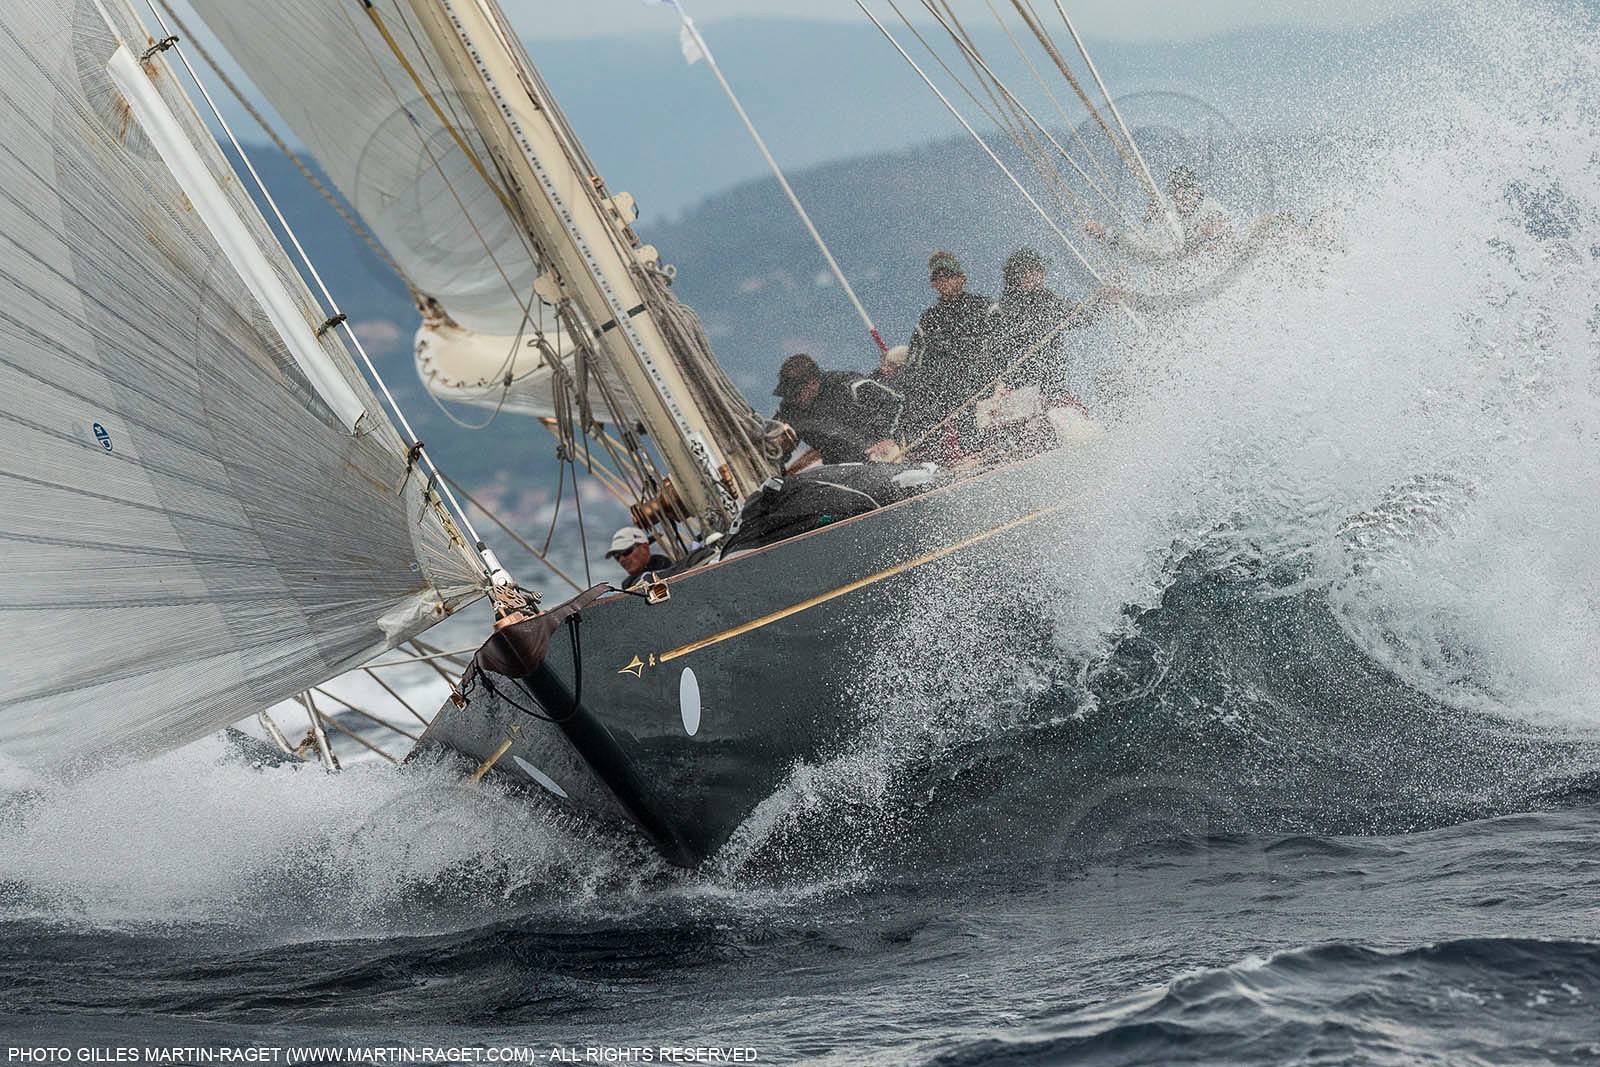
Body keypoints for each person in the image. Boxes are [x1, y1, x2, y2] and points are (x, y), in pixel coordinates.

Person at [900, 251, 1001, 443]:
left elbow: (1003, 343)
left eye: (949, 276)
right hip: (948, 393)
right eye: (938, 279)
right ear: (934, 285)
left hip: (986, 385)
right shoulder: (928, 321)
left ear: (962, 278)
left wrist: (997, 377)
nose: (944, 281)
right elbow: (914, 366)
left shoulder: (985, 307)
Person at [994, 246, 1097, 401]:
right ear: (1022, 275)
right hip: (1023, 391)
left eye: (1042, 270)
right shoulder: (1008, 306)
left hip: (1052, 388)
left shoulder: (1044, 298)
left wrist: (1103, 302)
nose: (1044, 274)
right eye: (1038, 270)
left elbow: (1080, 316)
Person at [771, 353, 903, 465]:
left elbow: (895, 403)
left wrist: (887, 437)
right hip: (838, 470)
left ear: (814, 383)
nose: (793, 400)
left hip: (881, 458)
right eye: (787, 395)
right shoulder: (788, 412)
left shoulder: (850, 385)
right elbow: (773, 450)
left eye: (796, 394)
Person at [1084, 165, 1234, 262]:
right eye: (1177, 193)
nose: (1182, 198)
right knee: (1153, 252)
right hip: (1179, 257)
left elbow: (1219, 232)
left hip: (1211, 260)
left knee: (1170, 256)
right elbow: (1152, 243)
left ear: (1197, 191)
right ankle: (1108, 235)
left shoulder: (1211, 210)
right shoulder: (1170, 210)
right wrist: (1157, 217)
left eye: (1186, 192)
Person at [605, 526, 673, 590]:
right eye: (617, 557)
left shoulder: (671, 570)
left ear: (644, 548)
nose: (621, 560)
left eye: (626, 552)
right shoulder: (627, 584)